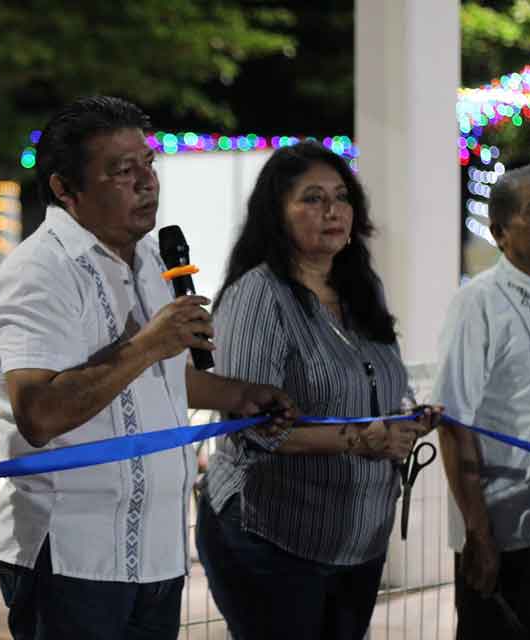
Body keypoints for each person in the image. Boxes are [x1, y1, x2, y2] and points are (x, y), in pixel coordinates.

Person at [0, 95, 294, 640]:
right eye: (123, 171)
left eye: (148, 163)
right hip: (74, 556)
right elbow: (39, 412)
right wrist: (149, 344)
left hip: (158, 548)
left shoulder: (150, 258)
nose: (147, 182)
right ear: (64, 188)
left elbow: (161, 379)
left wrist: (241, 396)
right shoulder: (40, 273)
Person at [196, 141, 438, 640]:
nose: (332, 211)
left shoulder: (359, 291)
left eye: (341, 197)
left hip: (359, 541)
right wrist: (362, 439)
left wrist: (405, 419)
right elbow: (254, 430)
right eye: (312, 198)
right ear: (276, 215)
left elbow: (375, 387)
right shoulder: (260, 295)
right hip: (271, 534)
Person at [434, 164, 530, 639]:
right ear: (498, 232)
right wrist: (478, 533)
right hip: (508, 533)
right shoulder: (478, 304)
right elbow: (453, 421)